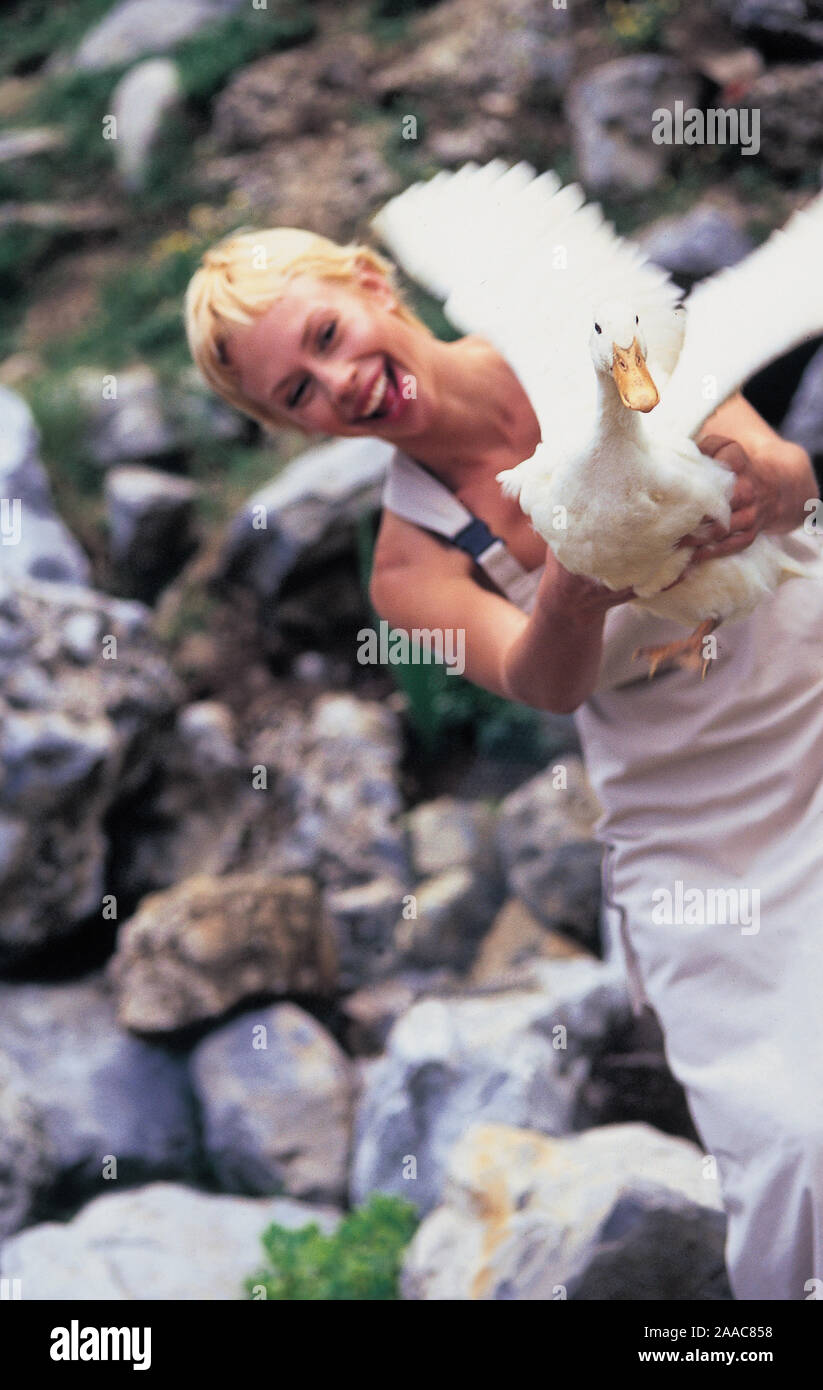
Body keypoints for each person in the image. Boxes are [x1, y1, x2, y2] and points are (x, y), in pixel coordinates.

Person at [184, 224, 823, 1301]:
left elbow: (792, 477)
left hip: (810, 683)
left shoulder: (587, 336)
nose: (340, 382)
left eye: (330, 334)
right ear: (287, 424)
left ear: (374, 283)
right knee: (792, 1138)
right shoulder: (404, 567)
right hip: (694, 826)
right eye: (297, 391)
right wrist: (576, 583)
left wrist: (757, 477)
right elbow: (543, 681)